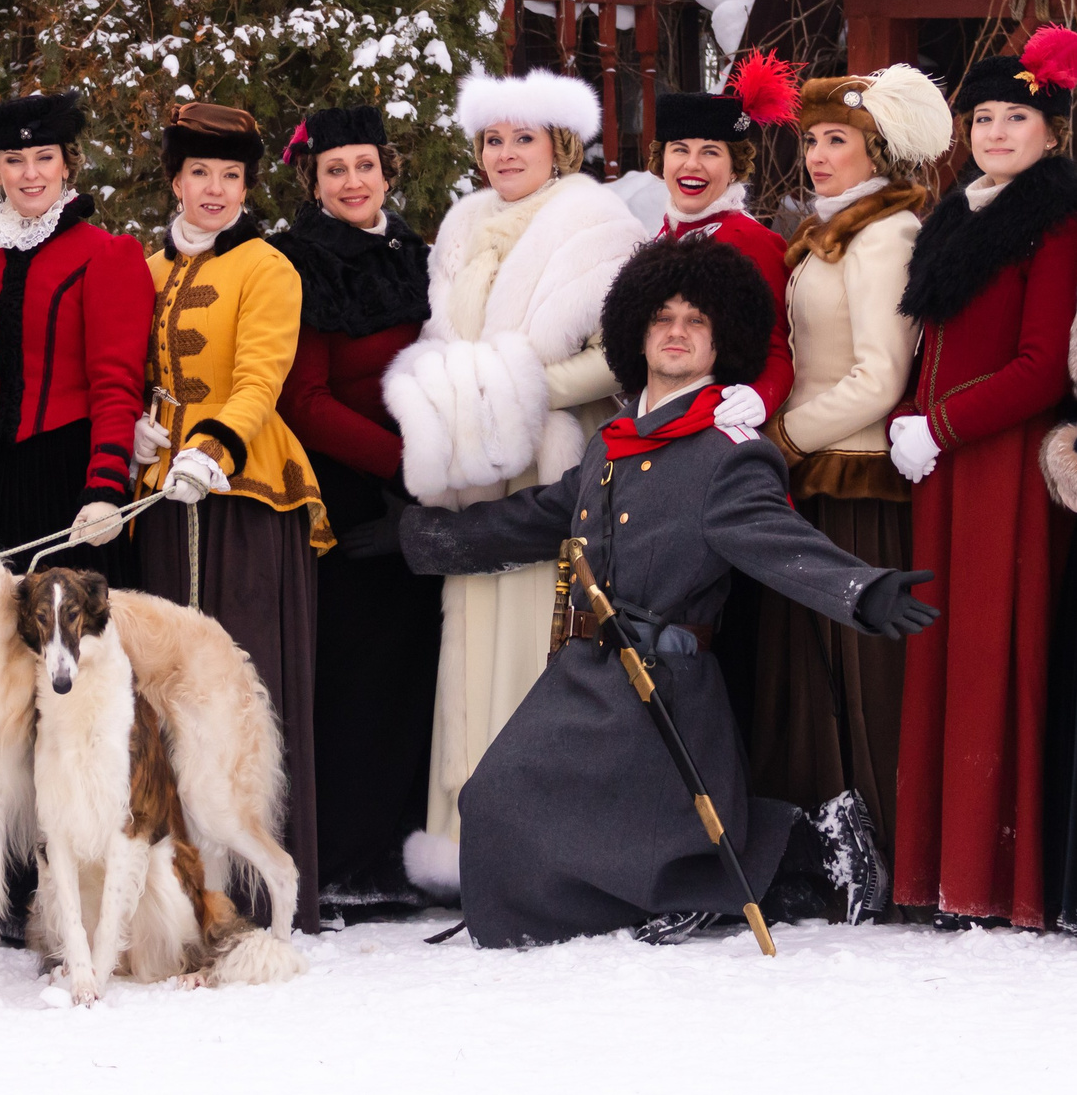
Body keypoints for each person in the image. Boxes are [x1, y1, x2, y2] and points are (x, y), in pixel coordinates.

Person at [385, 235, 936, 948]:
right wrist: (420, 537)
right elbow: (538, 517)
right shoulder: (610, 442)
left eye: (695, 321)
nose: (675, 333)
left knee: (599, 829)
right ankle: (748, 858)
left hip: (664, 690)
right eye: (661, 319)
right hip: (584, 679)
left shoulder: (727, 452)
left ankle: (803, 844)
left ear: (720, 341)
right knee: (495, 802)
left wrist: (863, 589)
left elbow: (779, 541)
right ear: (636, 332)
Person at [381, 68, 649, 895]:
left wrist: (515, 387)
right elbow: (440, 337)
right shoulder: (461, 224)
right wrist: (445, 391)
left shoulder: (596, 222)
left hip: (552, 470)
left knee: (539, 648)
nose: (504, 153)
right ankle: (466, 841)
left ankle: (545, 846)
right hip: (472, 475)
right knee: (469, 654)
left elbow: (622, 358)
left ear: (559, 144)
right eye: (492, 139)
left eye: (522, 138)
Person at [133, 101, 334, 934]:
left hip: (243, 493)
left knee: (239, 694)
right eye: (198, 174)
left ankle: (258, 891)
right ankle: (173, 895)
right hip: (157, 492)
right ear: (174, 181)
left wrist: (208, 446)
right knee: (159, 698)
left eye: (231, 176)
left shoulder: (267, 267)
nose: (214, 190)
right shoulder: (142, 268)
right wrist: (142, 424)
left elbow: (260, 375)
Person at [893, 25, 1077, 930]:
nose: (996, 132)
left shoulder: (1055, 217)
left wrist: (943, 424)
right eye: (982, 117)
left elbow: (1043, 365)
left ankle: (995, 876)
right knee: (939, 656)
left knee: (994, 661)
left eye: (1016, 117)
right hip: (939, 463)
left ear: (1051, 130)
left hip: (1000, 462)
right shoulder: (953, 211)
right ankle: (933, 869)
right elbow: (928, 341)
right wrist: (905, 415)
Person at [753, 65, 953, 885]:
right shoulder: (826, 228)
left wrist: (781, 438)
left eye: (837, 139)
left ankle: (881, 847)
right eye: (810, 139)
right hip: (811, 471)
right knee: (808, 670)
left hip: (854, 474)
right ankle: (819, 845)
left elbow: (880, 375)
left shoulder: (885, 234)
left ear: (877, 150)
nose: (817, 154)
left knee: (859, 672)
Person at [272, 105, 442, 894]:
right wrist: (405, 465)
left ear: (386, 170)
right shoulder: (301, 261)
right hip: (347, 491)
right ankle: (339, 858)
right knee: (352, 675)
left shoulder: (416, 251)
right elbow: (303, 399)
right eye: (334, 169)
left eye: (363, 166)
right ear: (313, 178)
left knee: (413, 667)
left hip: (423, 488)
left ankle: (396, 849)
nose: (351, 182)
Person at [0, 91, 154, 577]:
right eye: (15, 160)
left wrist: (106, 487)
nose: (31, 174)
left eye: (44, 157)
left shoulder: (107, 255)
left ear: (67, 166)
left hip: (71, 480)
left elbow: (116, 383)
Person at [653, 49, 800, 429]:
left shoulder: (753, 241)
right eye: (680, 149)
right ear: (662, 160)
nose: (692, 164)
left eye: (710, 152)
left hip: (719, 425)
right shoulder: (661, 236)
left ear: (735, 166)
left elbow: (778, 350)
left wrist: (760, 397)